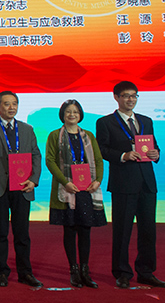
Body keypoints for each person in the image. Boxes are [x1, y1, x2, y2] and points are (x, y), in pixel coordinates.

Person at [95, 81, 165, 288]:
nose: (131, 99)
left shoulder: (146, 121)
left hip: (147, 183)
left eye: (134, 96)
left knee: (148, 231)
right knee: (122, 231)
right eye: (126, 95)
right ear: (116, 97)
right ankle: (122, 273)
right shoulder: (105, 122)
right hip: (123, 184)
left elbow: (154, 145)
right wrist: (124, 155)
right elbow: (102, 149)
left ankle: (146, 271)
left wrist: (156, 154)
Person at [0, 91, 42, 288]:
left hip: (22, 187)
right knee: (0, 233)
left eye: (14, 103)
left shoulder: (27, 129)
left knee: (22, 233)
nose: (11, 107)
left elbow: (36, 155)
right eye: (7, 104)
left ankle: (25, 272)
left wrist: (33, 180)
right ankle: (1, 272)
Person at [46, 99, 105, 289]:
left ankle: (85, 271)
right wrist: (65, 182)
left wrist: (98, 180)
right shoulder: (55, 135)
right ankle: (74, 270)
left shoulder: (88, 136)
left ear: (80, 115)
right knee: (70, 230)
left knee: (85, 230)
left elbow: (98, 160)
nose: (72, 115)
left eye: (76, 112)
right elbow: (50, 161)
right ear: (62, 115)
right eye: (68, 112)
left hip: (86, 190)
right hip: (67, 189)